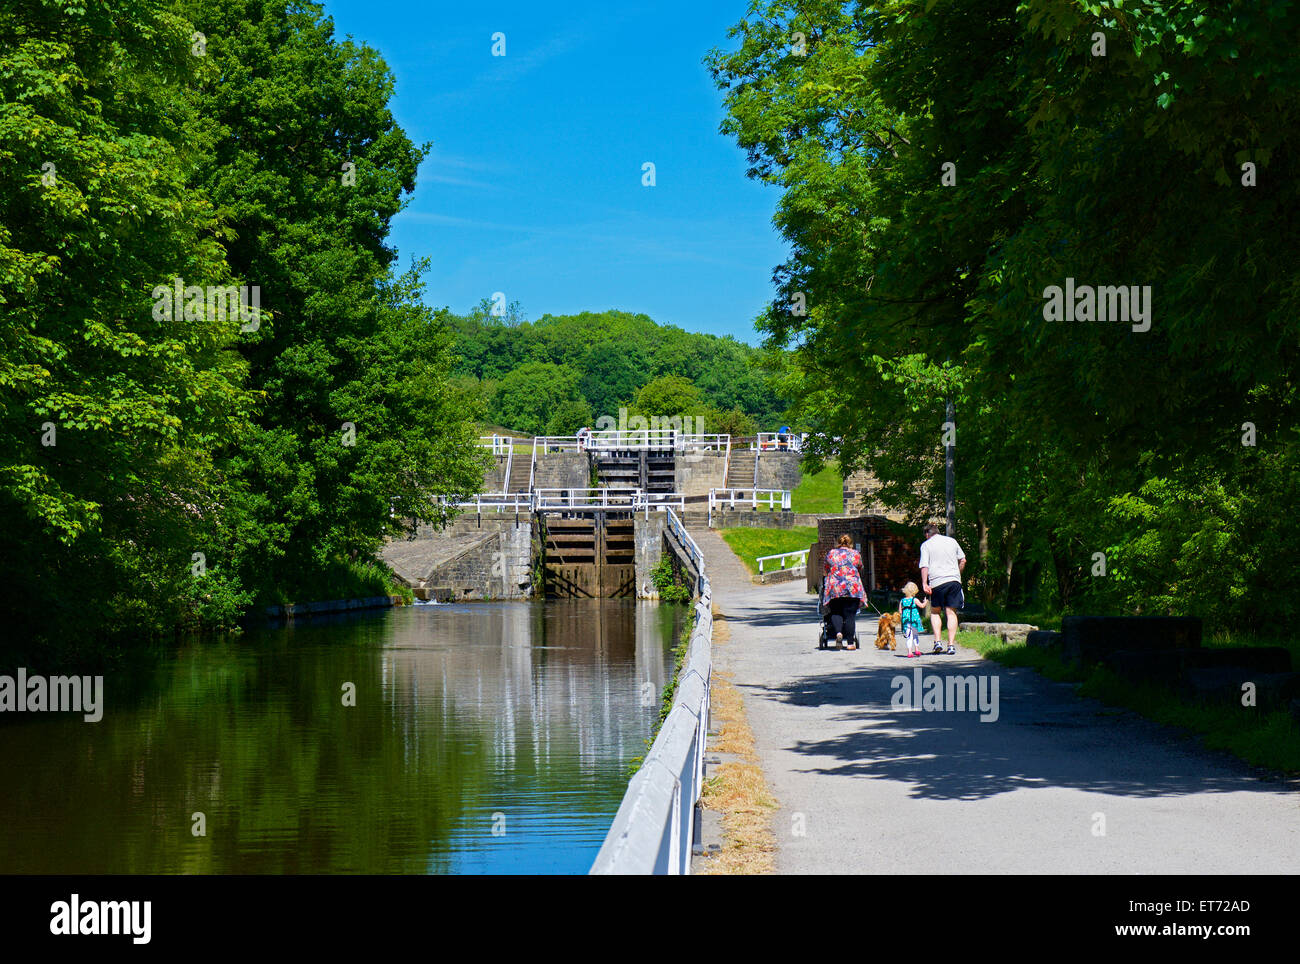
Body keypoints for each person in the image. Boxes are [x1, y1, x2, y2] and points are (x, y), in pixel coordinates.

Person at [920, 523, 966, 655]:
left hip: (937, 582)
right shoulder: (952, 541)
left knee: (935, 612)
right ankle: (951, 645)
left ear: (927, 534)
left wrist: (924, 583)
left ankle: (938, 642)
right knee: (951, 613)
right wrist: (957, 574)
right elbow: (963, 560)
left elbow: (924, 565)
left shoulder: (926, 545)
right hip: (954, 581)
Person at [822, 534, 867, 650]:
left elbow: (826, 569)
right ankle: (851, 643)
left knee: (836, 612)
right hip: (853, 589)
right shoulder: (855, 554)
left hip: (835, 588)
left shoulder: (831, 553)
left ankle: (838, 633)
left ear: (838, 543)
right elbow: (860, 567)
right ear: (850, 543)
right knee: (850, 616)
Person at [899, 581, 926, 658]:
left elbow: (900, 611)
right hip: (914, 621)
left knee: (909, 636)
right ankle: (917, 649)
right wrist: (925, 602)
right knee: (915, 635)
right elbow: (922, 606)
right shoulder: (915, 600)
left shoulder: (902, 601)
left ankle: (909, 652)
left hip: (906, 621)